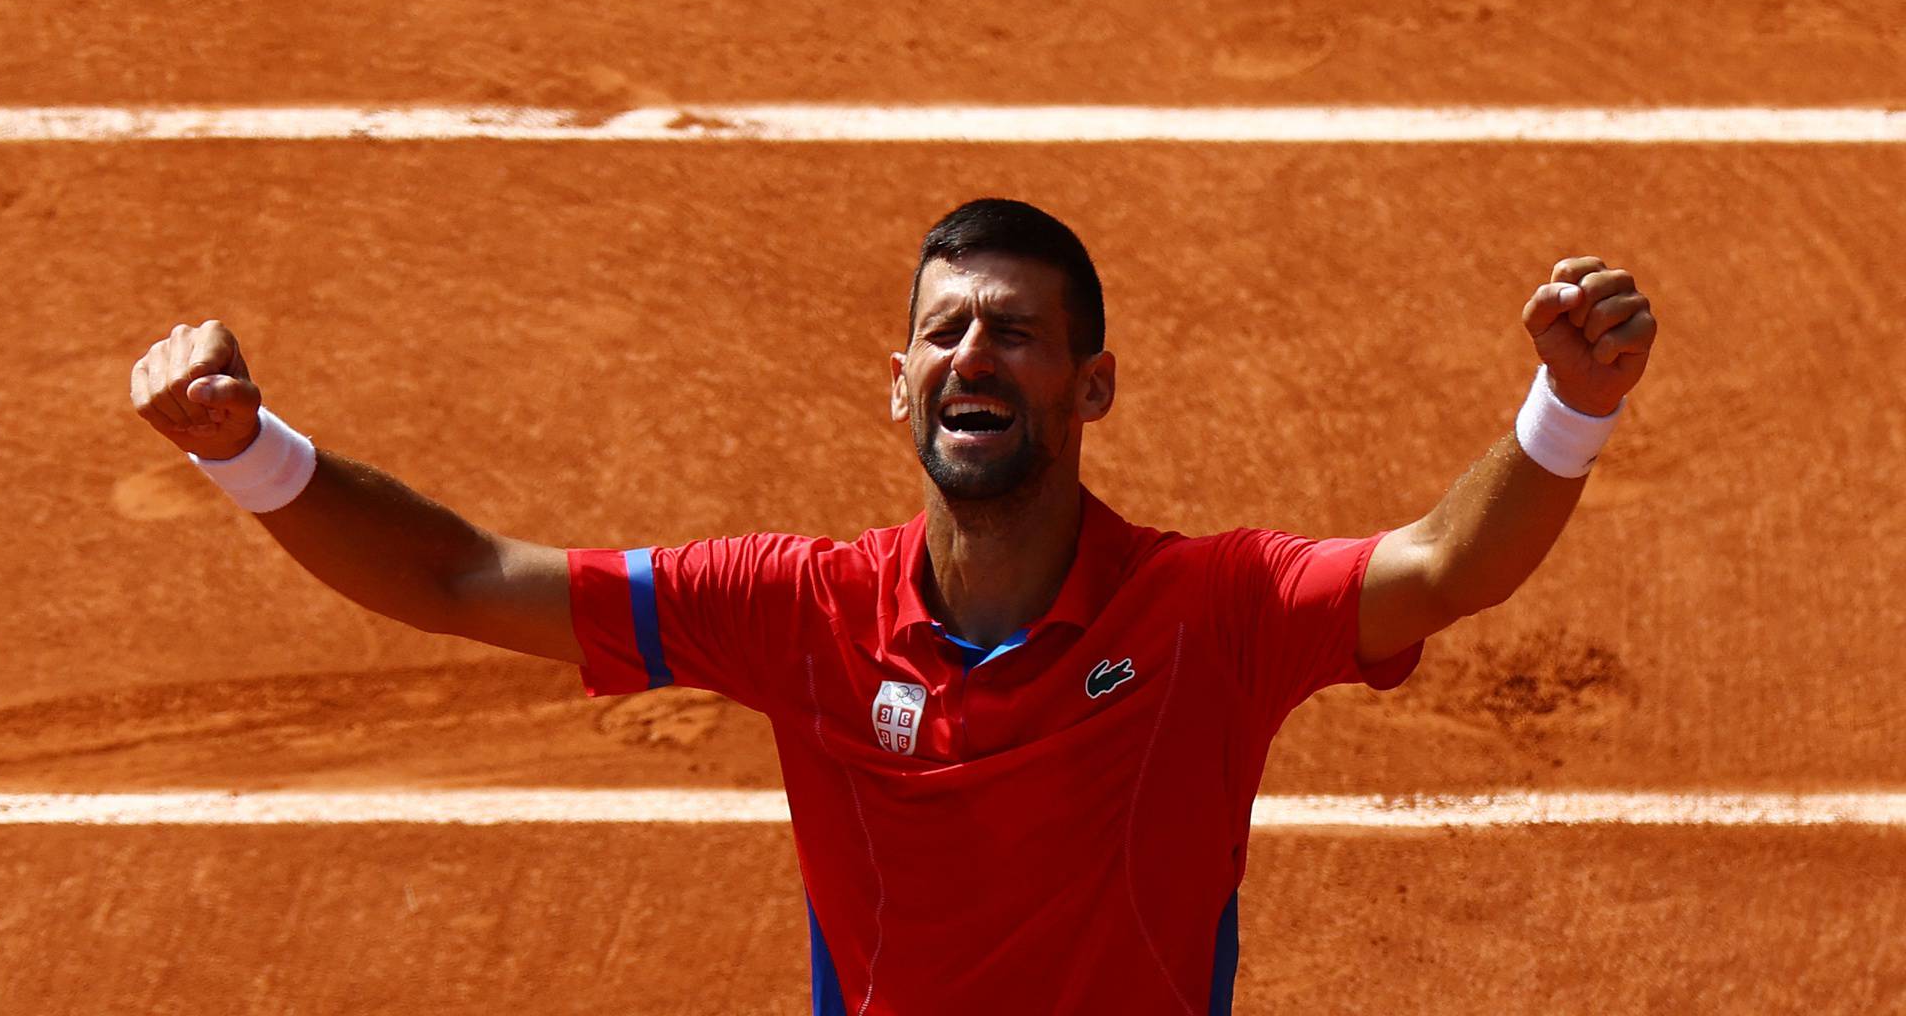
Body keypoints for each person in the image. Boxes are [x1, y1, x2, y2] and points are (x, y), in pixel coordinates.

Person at [129, 197, 1656, 1015]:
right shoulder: (796, 609)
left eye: (1015, 331)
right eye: (942, 332)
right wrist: (246, 450)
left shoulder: (1211, 606)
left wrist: (1567, 407)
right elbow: (466, 576)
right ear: (899, 384)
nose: (972, 354)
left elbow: (1445, 567)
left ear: (1092, 382)